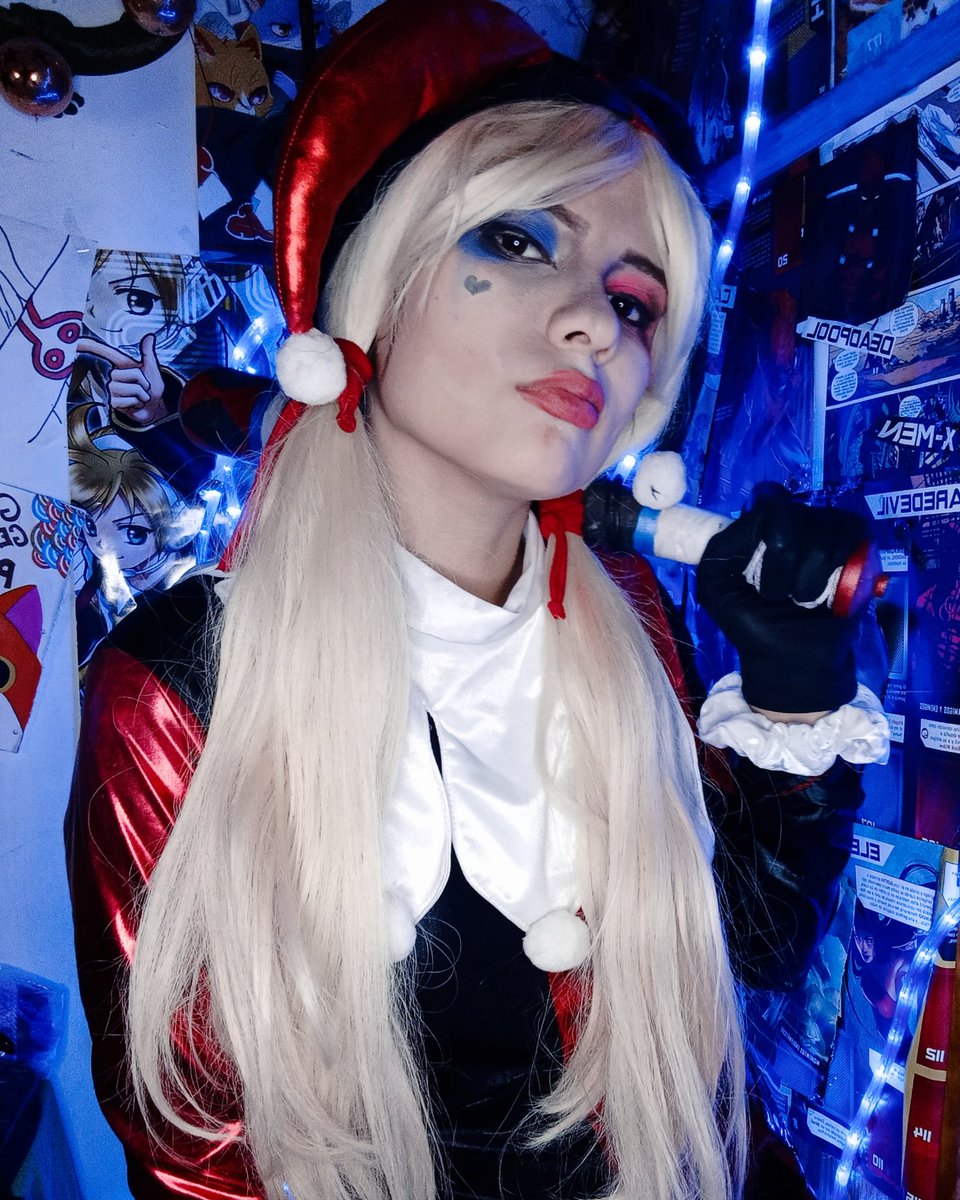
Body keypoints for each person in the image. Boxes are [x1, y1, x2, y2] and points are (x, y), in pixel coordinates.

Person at [65, 3, 890, 1199]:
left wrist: (794, 698)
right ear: (379, 274)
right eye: (517, 239)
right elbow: (196, 1151)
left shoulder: (632, 620)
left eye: (637, 302)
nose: (595, 323)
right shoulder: (181, 685)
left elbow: (754, 955)